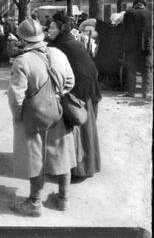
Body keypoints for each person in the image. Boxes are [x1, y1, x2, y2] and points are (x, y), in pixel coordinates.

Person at [7, 18, 76, 216]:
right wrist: (55, 96)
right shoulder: (58, 53)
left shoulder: (22, 61)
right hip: (58, 112)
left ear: (22, 39)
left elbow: (16, 96)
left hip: (34, 115)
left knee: (35, 157)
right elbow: (70, 81)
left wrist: (18, 116)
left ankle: (34, 203)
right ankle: (63, 198)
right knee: (62, 153)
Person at [47, 12, 102, 180]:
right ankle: (83, 168)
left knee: (74, 128)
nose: (49, 30)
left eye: (52, 27)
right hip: (86, 90)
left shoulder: (62, 46)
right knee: (84, 128)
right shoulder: (69, 41)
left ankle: (75, 170)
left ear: (61, 28)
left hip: (78, 93)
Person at [79, 12, 125, 88]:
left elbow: (94, 21)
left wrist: (81, 25)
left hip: (101, 59)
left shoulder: (104, 27)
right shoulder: (122, 29)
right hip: (116, 61)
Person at [121, 0, 152, 98]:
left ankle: (131, 92)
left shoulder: (128, 14)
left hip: (131, 47)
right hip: (145, 46)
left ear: (134, 6)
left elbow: (124, 30)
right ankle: (145, 92)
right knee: (146, 70)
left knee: (131, 70)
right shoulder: (149, 14)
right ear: (143, 5)